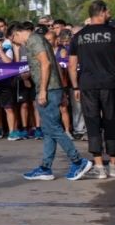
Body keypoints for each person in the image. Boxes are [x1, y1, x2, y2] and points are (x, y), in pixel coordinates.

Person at [10, 22, 93, 181]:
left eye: (13, 38)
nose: (15, 42)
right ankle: (45, 167)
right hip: (52, 88)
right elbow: (52, 63)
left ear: (18, 33)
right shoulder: (39, 40)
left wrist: (42, 90)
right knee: (48, 129)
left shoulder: (33, 40)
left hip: (48, 89)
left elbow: (46, 63)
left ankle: (78, 161)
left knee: (53, 128)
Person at [68, 0, 115, 179]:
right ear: (101, 12)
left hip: (87, 85)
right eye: (107, 10)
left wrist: (75, 87)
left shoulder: (78, 36)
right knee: (112, 121)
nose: (109, 12)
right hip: (110, 83)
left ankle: (99, 166)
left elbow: (72, 65)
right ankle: (113, 165)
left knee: (92, 123)